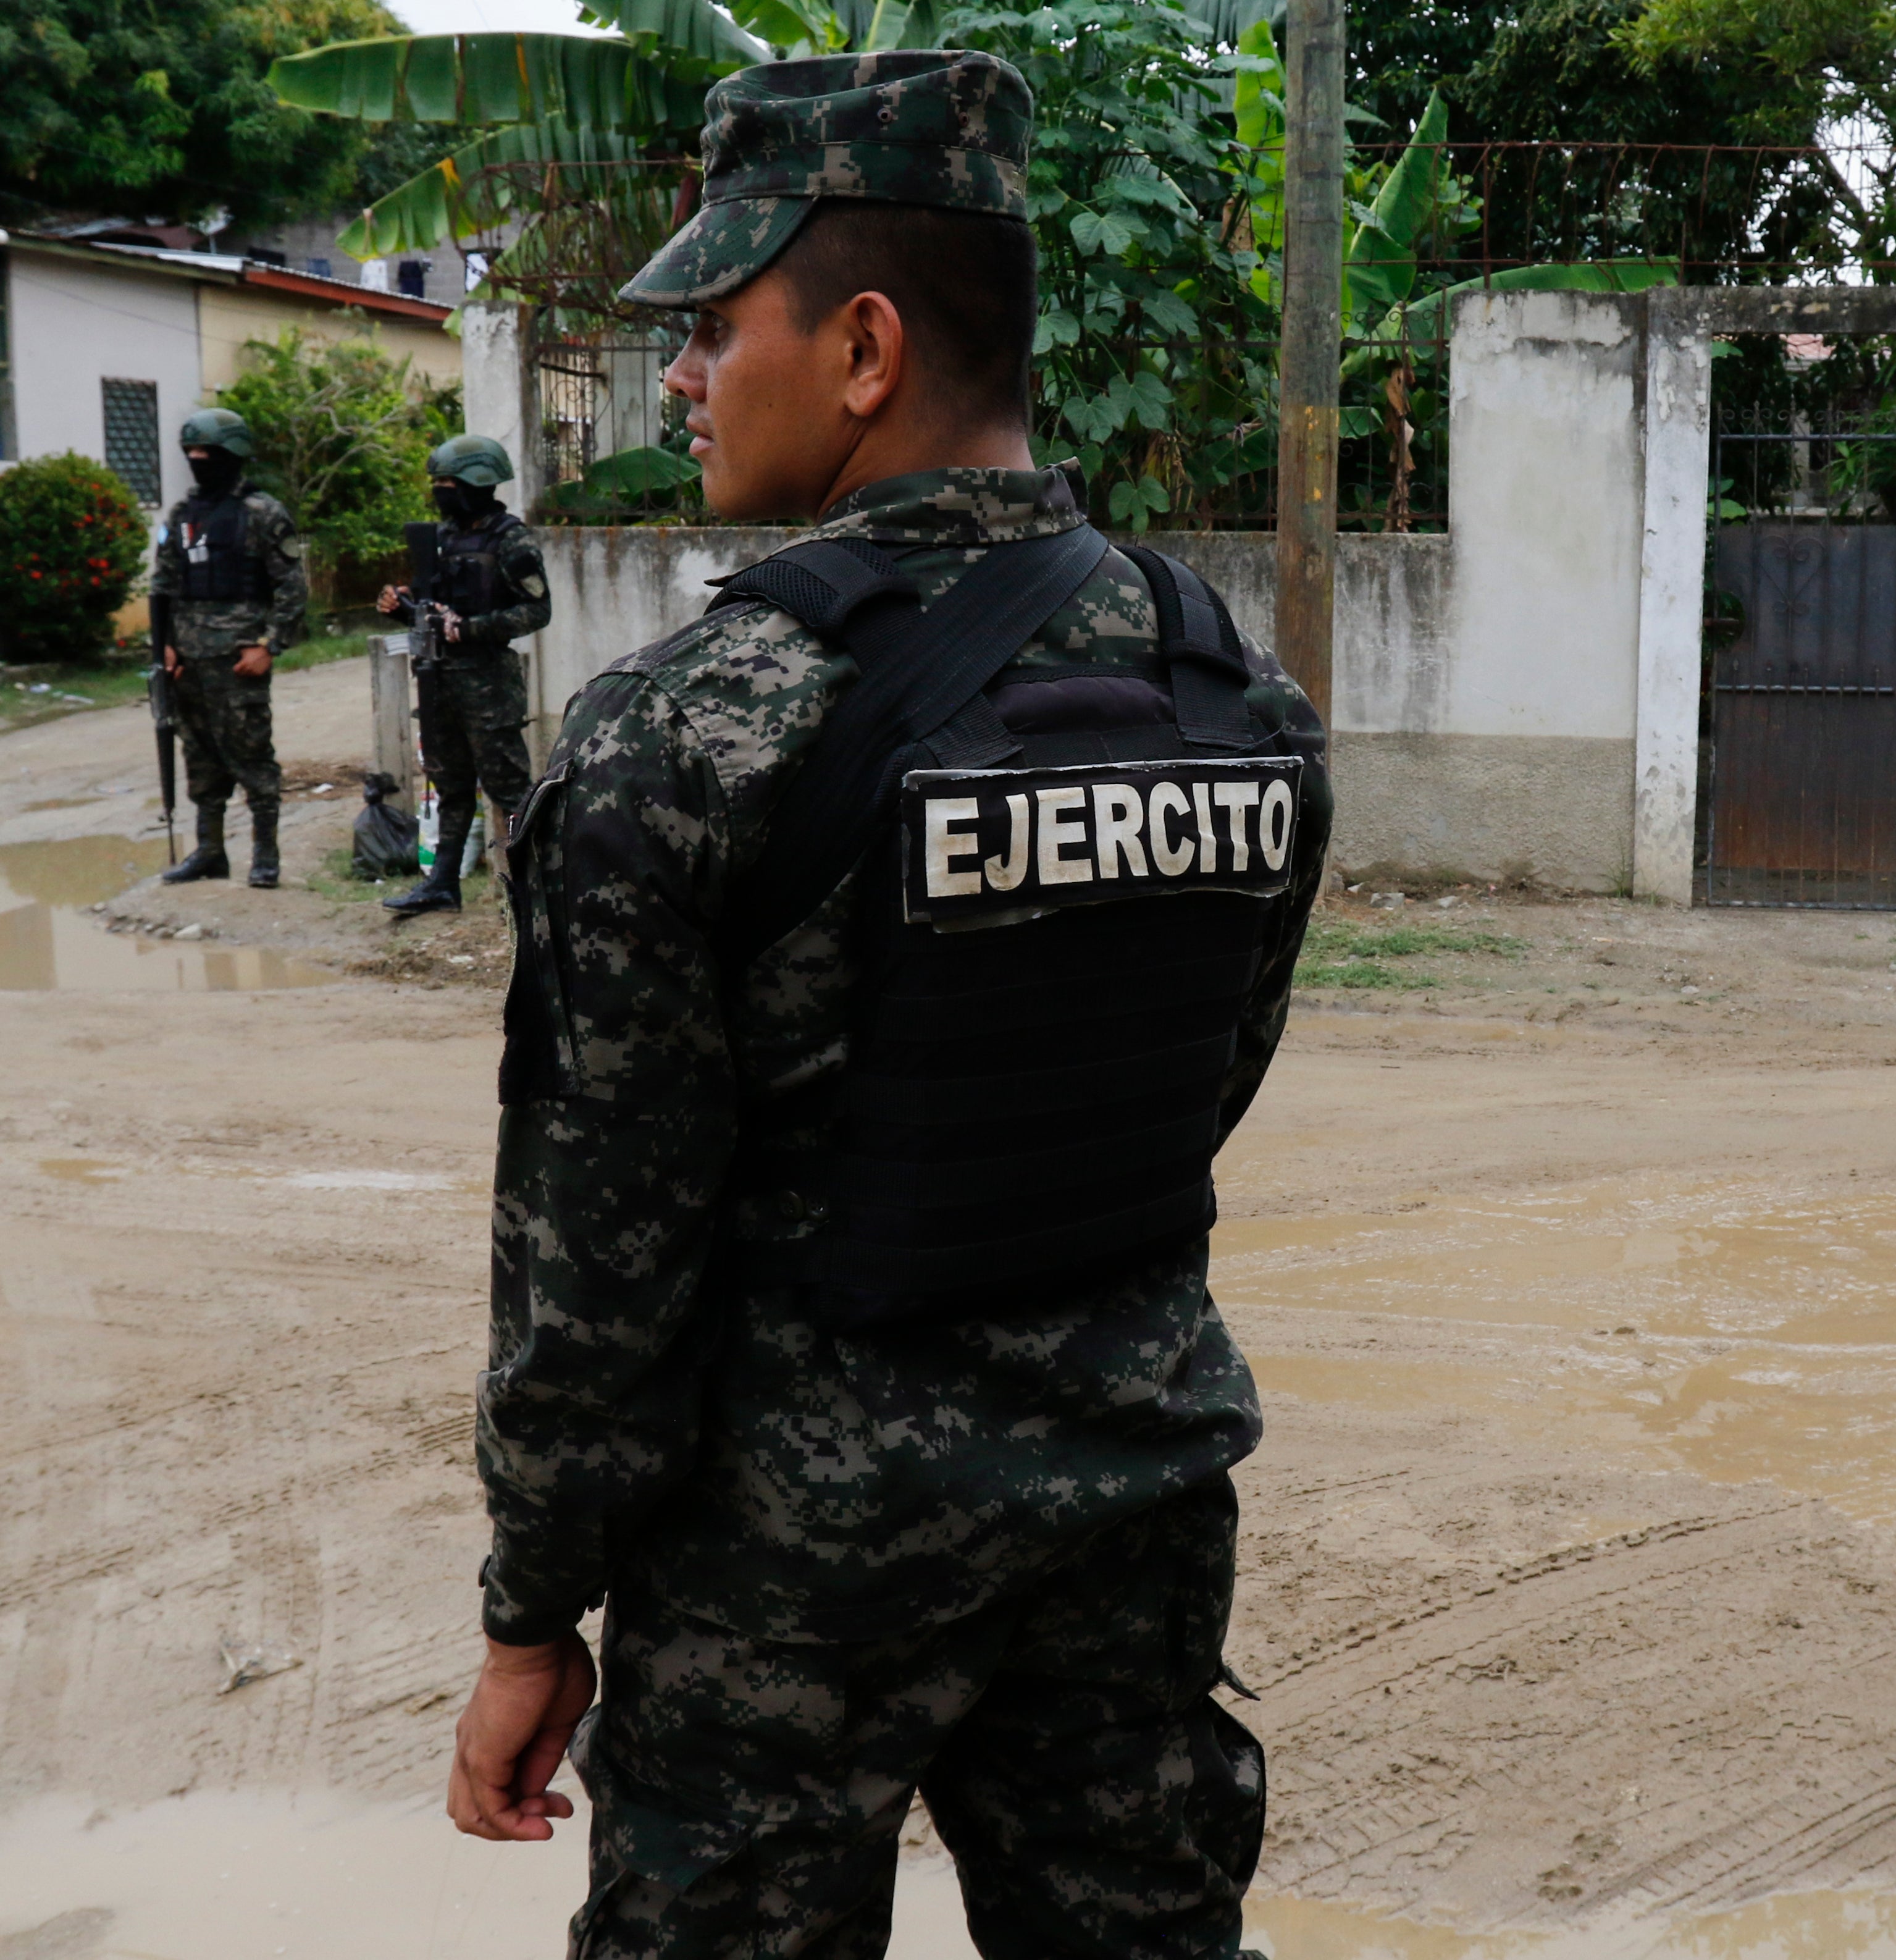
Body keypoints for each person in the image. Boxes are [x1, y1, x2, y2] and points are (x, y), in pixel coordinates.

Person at [442, 49, 1328, 1960]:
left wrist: (531, 1615)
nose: (677, 376)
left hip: (788, 1591)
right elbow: (1194, 1090)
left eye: (708, 326)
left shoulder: (681, 735)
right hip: (1131, 1508)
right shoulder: (1228, 698)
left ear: (859, 350)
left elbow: (597, 1263)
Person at [377, 433, 551, 916]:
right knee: (450, 787)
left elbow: (537, 611)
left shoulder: (511, 539)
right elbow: (433, 608)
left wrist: (468, 629)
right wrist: (404, 608)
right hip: (439, 682)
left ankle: (531, 891)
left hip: (489, 685)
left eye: (448, 483)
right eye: (438, 484)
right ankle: (442, 885)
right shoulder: (442, 537)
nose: (441, 491)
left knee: (510, 790)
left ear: (476, 483)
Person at [151, 408, 306, 888]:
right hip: (189, 665)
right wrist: (165, 649)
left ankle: (265, 857)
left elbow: (292, 588)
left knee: (252, 757)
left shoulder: (262, 513)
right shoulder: (182, 515)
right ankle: (210, 852)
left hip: (239, 661)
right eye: (191, 454)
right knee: (200, 758)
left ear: (232, 457)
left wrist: (270, 646)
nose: (198, 461)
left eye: (208, 454)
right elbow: (163, 586)